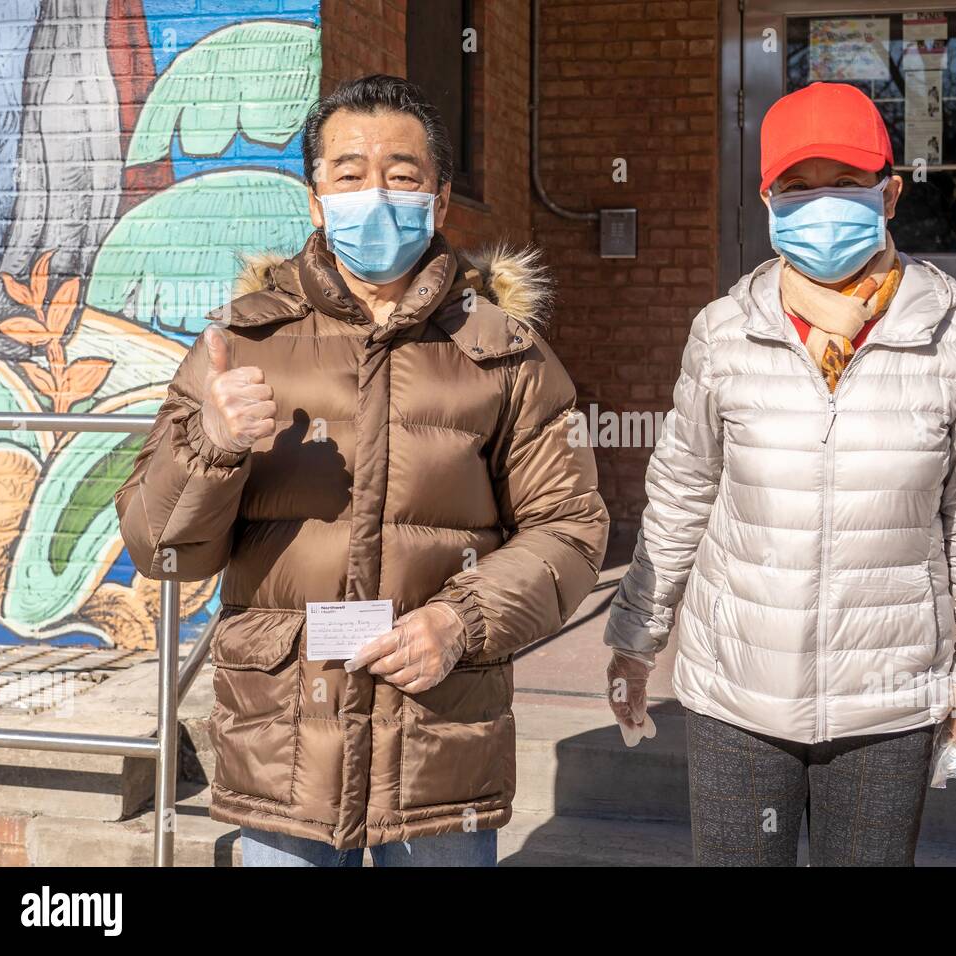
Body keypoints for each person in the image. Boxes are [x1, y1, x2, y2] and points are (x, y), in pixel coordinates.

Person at [116, 75, 609, 867]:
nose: (374, 195)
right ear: (315, 199)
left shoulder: (507, 355)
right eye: (349, 175)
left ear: (440, 201)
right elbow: (161, 549)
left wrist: (461, 621)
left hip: (439, 743)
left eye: (402, 176)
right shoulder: (242, 345)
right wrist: (209, 441)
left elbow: (571, 528)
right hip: (284, 743)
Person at [603, 82, 956, 866]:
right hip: (737, 690)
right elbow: (680, 493)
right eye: (799, 188)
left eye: (845, 183)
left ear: (891, 194)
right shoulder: (726, 331)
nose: (822, 204)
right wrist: (636, 635)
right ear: (768, 202)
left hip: (889, 700)